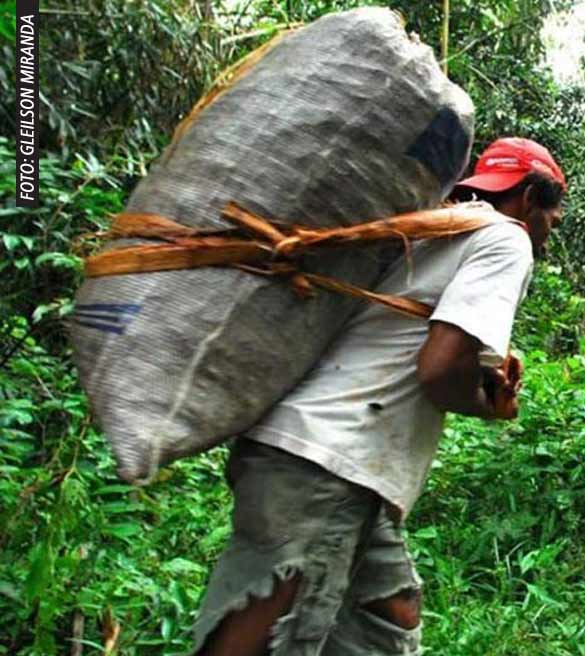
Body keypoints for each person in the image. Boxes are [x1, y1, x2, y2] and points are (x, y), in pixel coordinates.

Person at [191, 137, 565, 656]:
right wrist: (489, 406)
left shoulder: (432, 229)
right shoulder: (506, 239)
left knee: (387, 622)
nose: (551, 230)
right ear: (529, 200)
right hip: (328, 461)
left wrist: (479, 380)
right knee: (260, 641)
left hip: (324, 460)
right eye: (554, 215)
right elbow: (438, 370)